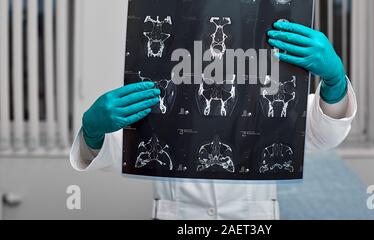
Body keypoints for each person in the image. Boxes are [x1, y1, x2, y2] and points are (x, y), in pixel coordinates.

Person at [70, 20, 357, 220]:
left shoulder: (265, 90)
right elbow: (113, 153)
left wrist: (334, 83)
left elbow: (323, 135)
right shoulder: (162, 96)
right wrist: (93, 131)